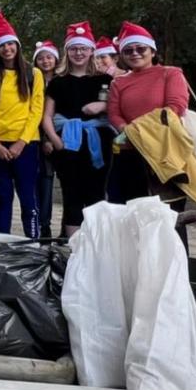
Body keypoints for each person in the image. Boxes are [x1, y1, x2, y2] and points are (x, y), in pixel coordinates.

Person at [107, 21, 189, 217]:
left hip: (164, 152)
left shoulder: (171, 74)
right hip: (130, 153)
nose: (135, 53)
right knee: (133, 214)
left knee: (169, 217)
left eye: (140, 48)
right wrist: (128, 132)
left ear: (152, 51)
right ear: (123, 57)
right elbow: (114, 113)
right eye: (128, 51)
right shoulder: (118, 82)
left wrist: (140, 131)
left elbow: (174, 107)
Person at [41, 21, 112, 238]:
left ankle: (97, 244)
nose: (78, 53)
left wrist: (103, 105)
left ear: (91, 51)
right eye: (74, 48)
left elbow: (118, 107)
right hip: (68, 143)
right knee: (71, 194)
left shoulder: (105, 80)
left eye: (83, 48)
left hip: (98, 141)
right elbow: (47, 116)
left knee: (96, 193)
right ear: (67, 51)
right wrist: (55, 139)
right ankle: (73, 249)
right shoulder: (57, 83)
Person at [0, 6, 44, 238]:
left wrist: (21, 142)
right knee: (2, 197)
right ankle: (1, 242)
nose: (7, 49)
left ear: (17, 45)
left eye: (11, 44)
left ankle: (33, 241)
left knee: (28, 197)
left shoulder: (33, 74)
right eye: (2, 46)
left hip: (25, 144)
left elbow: (36, 110)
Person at [32, 40, 59, 237]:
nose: (45, 61)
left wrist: (52, 137)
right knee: (40, 179)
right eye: (41, 58)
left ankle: (50, 224)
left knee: (54, 182)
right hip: (36, 136)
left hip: (60, 134)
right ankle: (40, 223)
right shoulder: (31, 80)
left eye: (49, 57)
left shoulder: (62, 80)